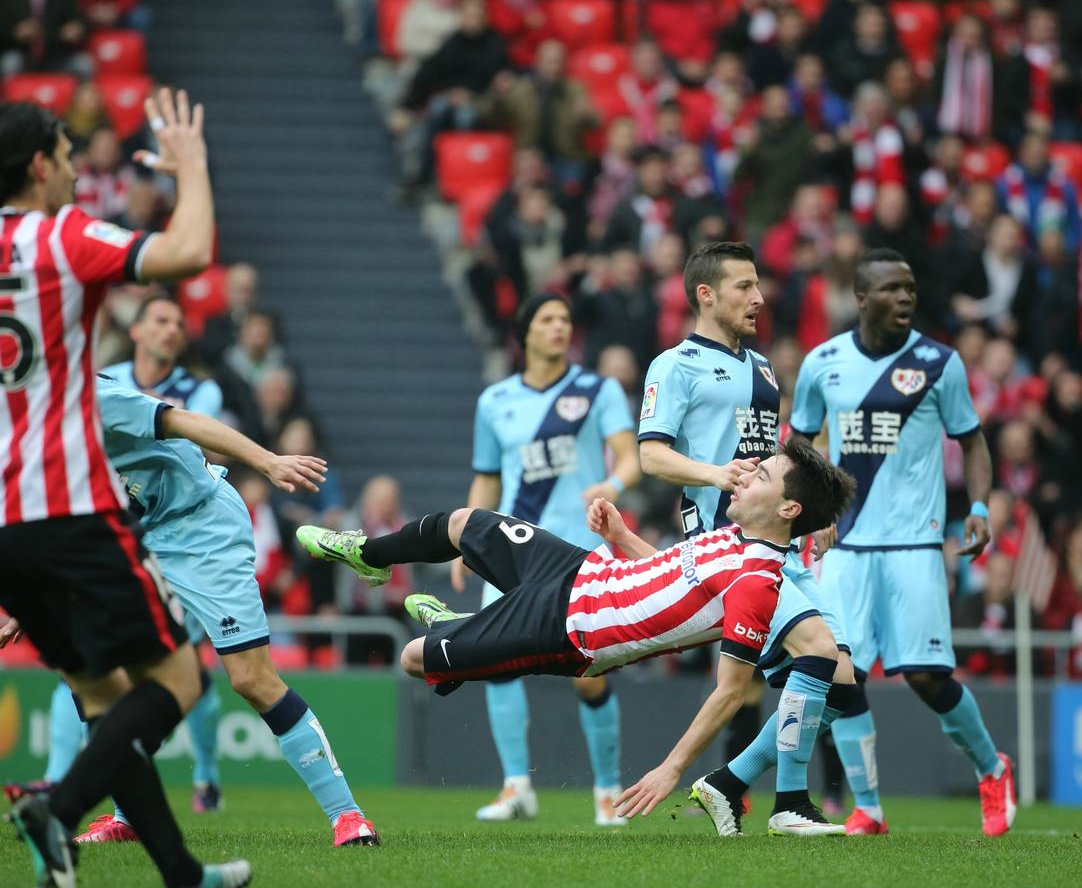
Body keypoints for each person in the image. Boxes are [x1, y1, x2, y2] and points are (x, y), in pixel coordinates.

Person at [296, 438, 855, 826]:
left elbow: (731, 691)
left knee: (414, 659)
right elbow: (664, 578)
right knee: (466, 523)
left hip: (568, 630)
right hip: (580, 571)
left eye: (760, 475)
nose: (744, 472)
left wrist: (672, 768)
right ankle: (369, 554)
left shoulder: (758, 582)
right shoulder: (730, 538)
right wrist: (620, 535)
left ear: (788, 507)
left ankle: (455, 630)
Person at [0, 91, 250, 887]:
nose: (78, 171)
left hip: (3, 521)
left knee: (101, 696)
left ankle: (180, 871)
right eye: (70, 157)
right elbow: (188, 252)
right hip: (69, 509)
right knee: (178, 679)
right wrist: (193, 166)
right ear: (40, 166)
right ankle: (59, 808)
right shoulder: (61, 237)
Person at [57, 376, 379, 848]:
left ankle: (348, 815)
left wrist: (269, 462)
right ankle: (126, 815)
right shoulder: (29, 430)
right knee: (105, 672)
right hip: (140, 540)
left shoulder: (88, 395)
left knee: (252, 679)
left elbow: (183, 420)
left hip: (201, 525)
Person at [784, 248, 1015, 836]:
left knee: (925, 677)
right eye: (891, 288)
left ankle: (992, 769)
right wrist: (808, 517)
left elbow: (974, 440)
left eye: (910, 287)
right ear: (862, 299)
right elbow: (800, 448)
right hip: (846, 548)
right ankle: (869, 807)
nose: (906, 297)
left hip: (914, 545)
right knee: (840, 674)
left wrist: (981, 506)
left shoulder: (941, 364)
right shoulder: (823, 363)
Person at [636, 241, 859, 836]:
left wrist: (809, 513)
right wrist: (714, 474)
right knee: (816, 652)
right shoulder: (674, 364)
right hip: (726, 543)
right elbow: (651, 455)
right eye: (744, 287)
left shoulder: (760, 368)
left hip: (774, 537)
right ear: (706, 295)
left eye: (759, 285)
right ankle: (789, 803)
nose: (759, 297)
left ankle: (728, 783)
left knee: (839, 685)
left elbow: (776, 458)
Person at [451, 294, 641, 826]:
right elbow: (488, 476)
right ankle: (516, 787)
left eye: (565, 318)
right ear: (525, 332)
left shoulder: (596, 390)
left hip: (579, 553)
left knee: (589, 671)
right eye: (548, 319)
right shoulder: (495, 401)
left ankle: (608, 791)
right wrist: (467, 539)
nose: (560, 327)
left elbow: (629, 454)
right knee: (494, 663)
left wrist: (614, 481)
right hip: (510, 550)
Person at [48, 294, 230, 821]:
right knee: (85, 660)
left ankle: (207, 773)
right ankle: (69, 779)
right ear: (137, 331)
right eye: (160, 320)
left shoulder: (202, 390)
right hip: (130, 536)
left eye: (178, 322)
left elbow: (185, 435)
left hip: (190, 533)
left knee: (189, 668)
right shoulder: (104, 379)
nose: (171, 330)